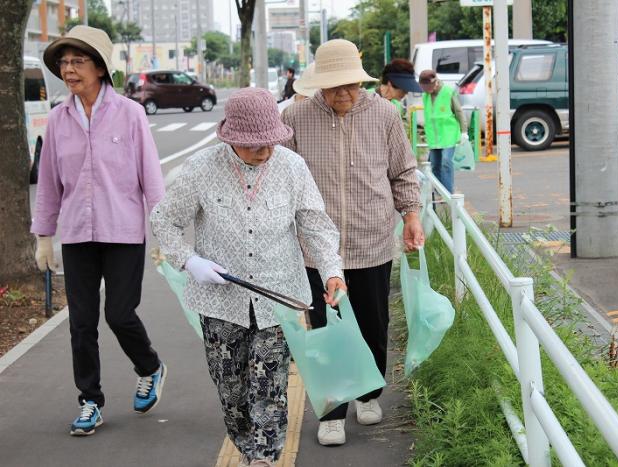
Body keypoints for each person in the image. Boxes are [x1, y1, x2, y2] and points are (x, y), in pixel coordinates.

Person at [150, 87, 346, 467]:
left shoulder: (292, 167)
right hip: (219, 303)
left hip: (278, 297)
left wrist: (332, 273)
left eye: (270, 142)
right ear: (232, 138)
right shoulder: (202, 168)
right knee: (233, 394)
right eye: (254, 145)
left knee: (270, 390)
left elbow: (315, 226)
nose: (265, 151)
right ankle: (249, 450)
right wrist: (190, 261)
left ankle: (264, 459)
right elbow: (165, 220)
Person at [281, 39, 425, 447]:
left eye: (351, 85)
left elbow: (403, 170)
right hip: (315, 248)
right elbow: (282, 180)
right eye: (334, 86)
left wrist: (410, 215)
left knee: (372, 324)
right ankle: (332, 409)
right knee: (325, 331)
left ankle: (369, 393)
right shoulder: (296, 117)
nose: (344, 93)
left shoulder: (384, 114)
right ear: (319, 85)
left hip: (372, 240)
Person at [31, 25, 166, 436]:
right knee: (81, 323)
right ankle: (90, 400)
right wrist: (44, 237)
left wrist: (162, 233)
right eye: (64, 62)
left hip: (123, 231)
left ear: (100, 68)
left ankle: (150, 366)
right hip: (77, 234)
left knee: (120, 314)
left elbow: (151, 177)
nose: (68, 69)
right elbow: (50, 182)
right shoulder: (57, 119)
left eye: (78, 61)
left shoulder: (130, 114)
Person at [418, 69, 468, 193]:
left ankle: (448, 192)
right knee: (435, 164)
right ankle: (439, 191)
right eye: (424, 88)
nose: (426, 90)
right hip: (433, 136)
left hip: (448, 134)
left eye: (428, 87)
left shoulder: (448, 92)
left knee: (446, 161)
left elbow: (459, 112)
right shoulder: (425, 95)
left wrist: (464, 131)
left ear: (435, 82)